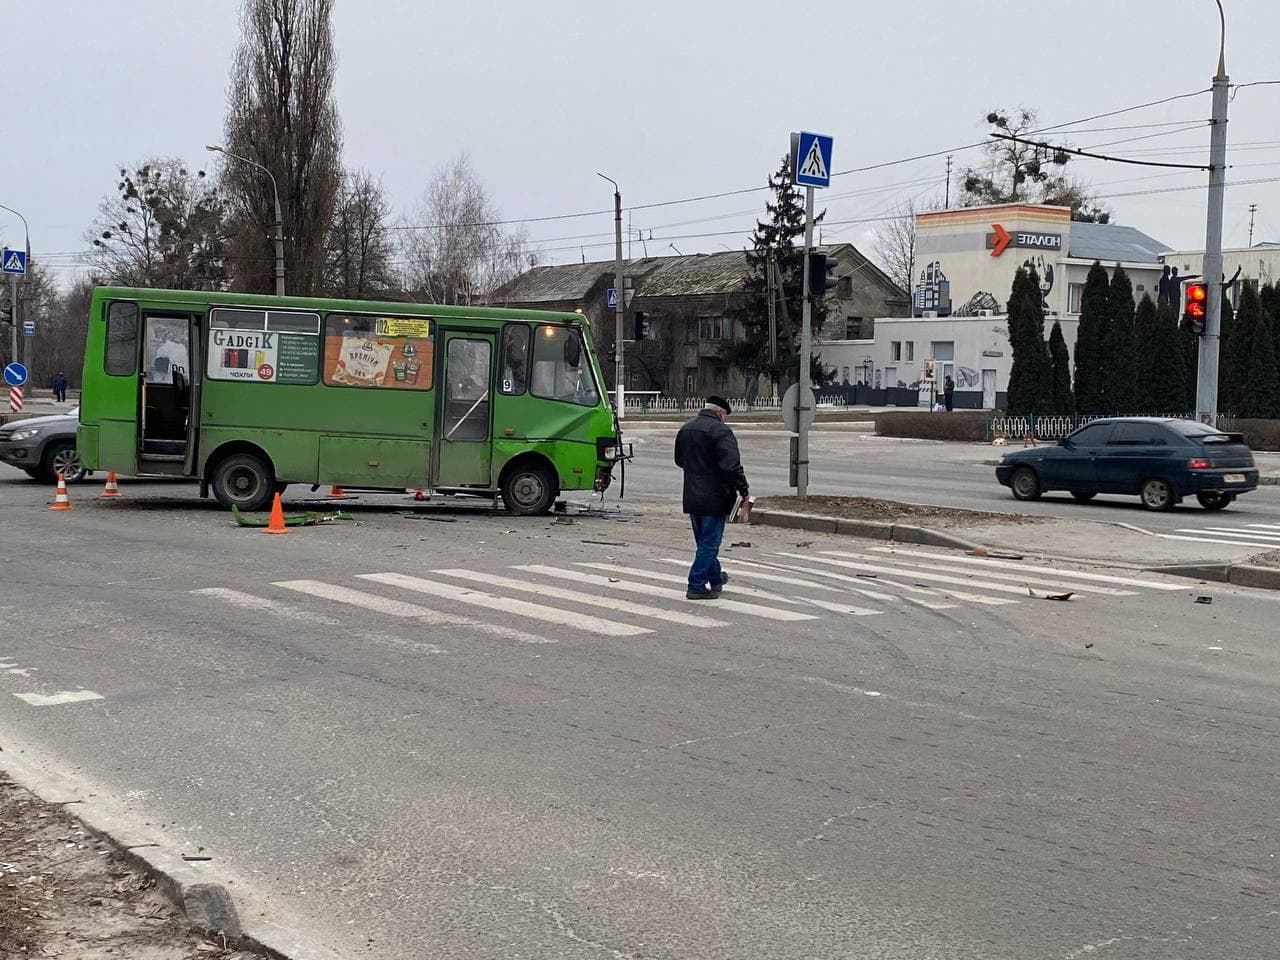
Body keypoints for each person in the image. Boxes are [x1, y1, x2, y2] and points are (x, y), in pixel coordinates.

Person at [674, 396, 749, 600]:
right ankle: (696, 584)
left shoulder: (686, 429)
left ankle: (715, 579)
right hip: (715, 497)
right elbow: (731, 466)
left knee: (704, 543)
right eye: (724, 415)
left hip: (691, 495)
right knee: (709, 544)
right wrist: (743, 490)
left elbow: (679, 460)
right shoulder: (721, 431)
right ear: (720, 413)